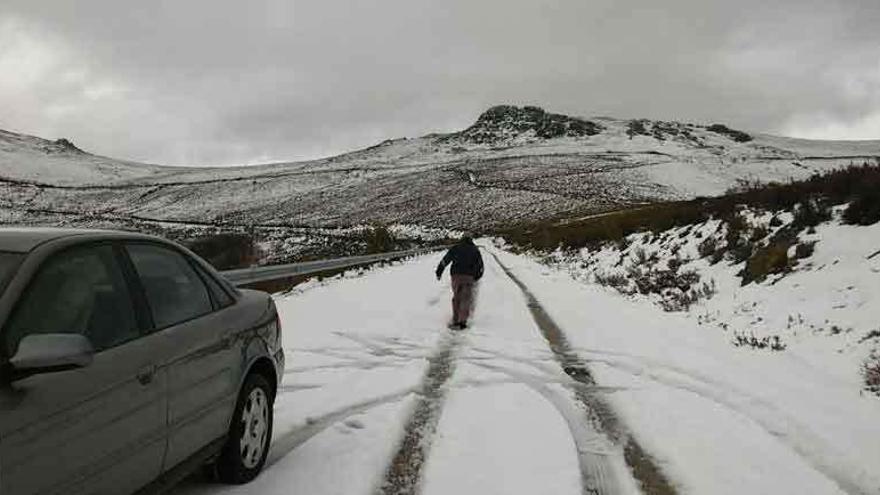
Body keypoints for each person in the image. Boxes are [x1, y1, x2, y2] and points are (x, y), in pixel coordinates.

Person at [435, 235, 483, 329]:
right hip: (469, 276)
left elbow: (445, 260)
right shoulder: (475, 250)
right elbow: (480, 266)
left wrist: (439, 271)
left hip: (456, 276)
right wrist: (476, 277)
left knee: (457, 297)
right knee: (466, 298)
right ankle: (462, 321)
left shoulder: (456, 248)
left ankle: (455, 319)